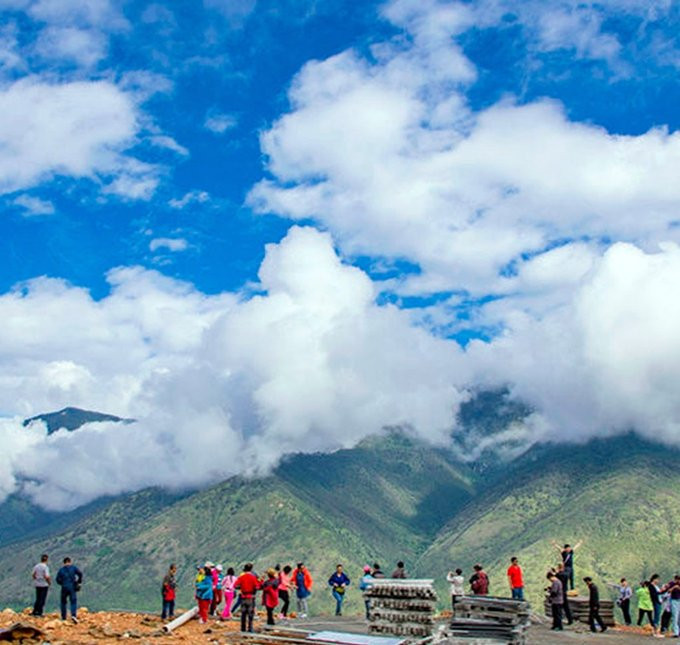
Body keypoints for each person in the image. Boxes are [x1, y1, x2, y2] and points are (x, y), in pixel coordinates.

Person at [56, 557, 83, 623]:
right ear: (70, 562)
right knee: (73, 601)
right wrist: (79, 581)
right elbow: (80, 573)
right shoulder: (73, 568)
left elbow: (57, 579)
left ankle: (63, 617)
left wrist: (62, 583)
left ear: (64, 563)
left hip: (64, 587)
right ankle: (73, 615)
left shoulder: (61, 570)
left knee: (63, 602)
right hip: (72, 587)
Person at [235, 563, 260, 633]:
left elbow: (235, 585)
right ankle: (250, 628)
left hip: (243, 597)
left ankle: (243, 628)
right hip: (250, 597)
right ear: (251, 569)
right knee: (250, 613)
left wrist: (241, 587)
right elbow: (257, 586)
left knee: (243, 613)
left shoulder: (241, 577)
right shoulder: (253, 577)